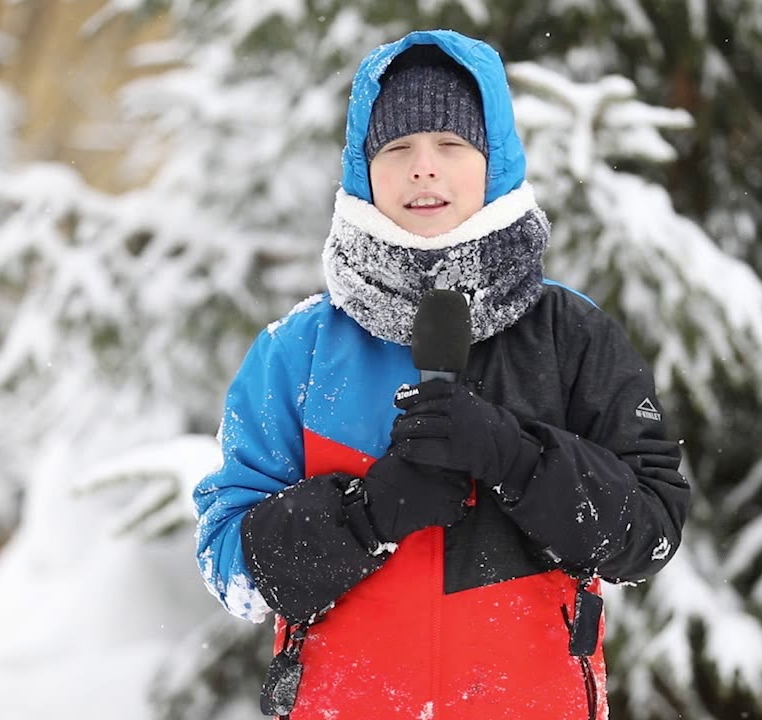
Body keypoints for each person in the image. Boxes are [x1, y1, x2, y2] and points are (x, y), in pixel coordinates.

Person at [194, 29, 690, 720]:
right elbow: (232, 568)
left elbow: (651, 532)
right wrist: (364, 517)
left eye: (452, 146)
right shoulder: (297, 349)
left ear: (496, 162)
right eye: (397, 148)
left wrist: (519, 460)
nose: (423, 168)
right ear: (364, 172)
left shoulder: (571, 336)